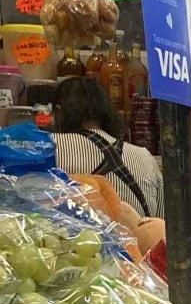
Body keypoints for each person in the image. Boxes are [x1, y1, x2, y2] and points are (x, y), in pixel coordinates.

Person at [49, 75, 162, 218]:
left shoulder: (48, 148)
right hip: (136, 232)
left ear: (58, 113)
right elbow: (165, 223)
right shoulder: (144, 157)